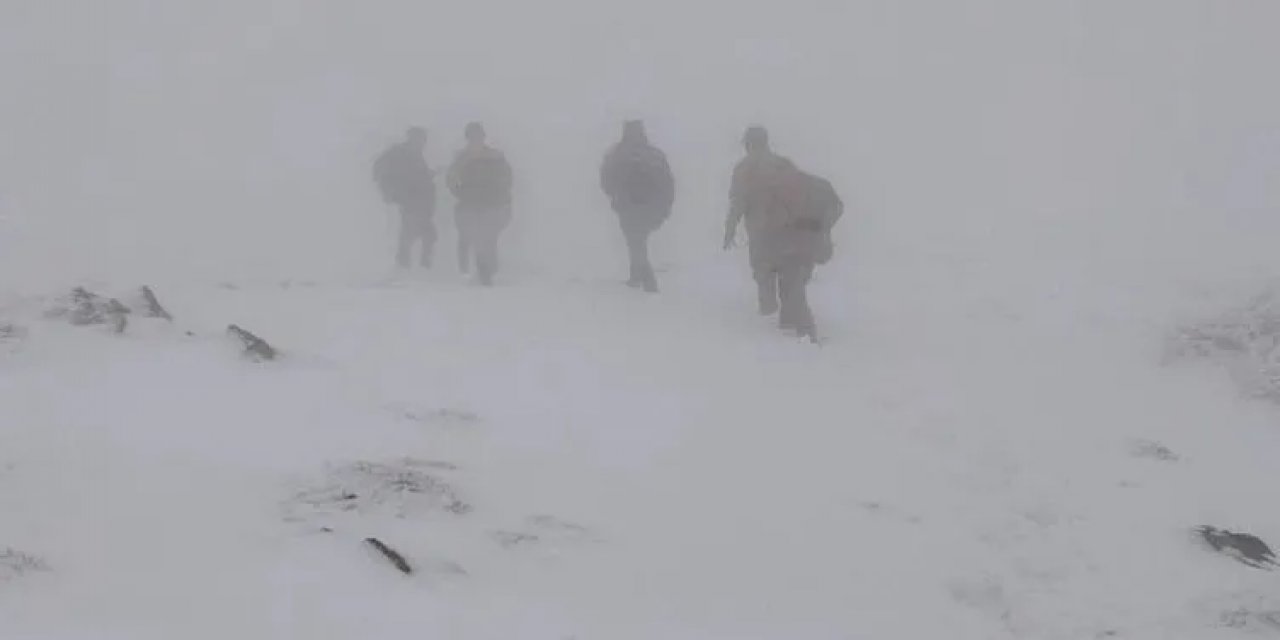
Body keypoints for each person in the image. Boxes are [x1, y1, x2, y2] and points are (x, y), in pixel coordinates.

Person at [724, 126, 843, 341]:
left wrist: (730, 228)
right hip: (794, 230)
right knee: (791, 274)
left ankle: (773, 314)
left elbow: (738, 201)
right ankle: (787, 317)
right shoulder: (784, 164)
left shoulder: (744, 168)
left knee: (766, 272)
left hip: (764, 231)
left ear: (748, 144)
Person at [600, 120, 675, 292]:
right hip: (651, 208)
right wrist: (665, 207)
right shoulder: (654, 155)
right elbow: (668, 183)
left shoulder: (618, 153)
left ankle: (647, 280)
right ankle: (636, 275)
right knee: (638, 241)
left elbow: (605, 178)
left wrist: (614, 195)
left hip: (628, 207)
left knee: (635, 242)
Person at [447, 122, 513, 286]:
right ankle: (473, 272)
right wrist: (461, 193)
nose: (475, 140)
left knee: (487, 238)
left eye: (478, 136)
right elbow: (451, 181)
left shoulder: (495, 156)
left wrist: (501, 197)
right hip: (470, 204)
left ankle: (487, 272)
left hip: (490, 204)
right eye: (472, 136)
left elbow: (507, 178)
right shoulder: (462, 158)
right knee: (473, 238)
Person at [372, 126, 437, 269]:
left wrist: (428, 176)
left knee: (421, 234)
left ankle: (409, 264)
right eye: (418, 139)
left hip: (419, 201)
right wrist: (388, 190)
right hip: (407, 199)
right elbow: (379, 167)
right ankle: (409, 265)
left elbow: (418, 176)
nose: (421, 143)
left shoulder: (416, 155)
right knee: (418, 233)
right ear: (411, 138)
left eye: (422, 140)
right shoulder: (399, 152)